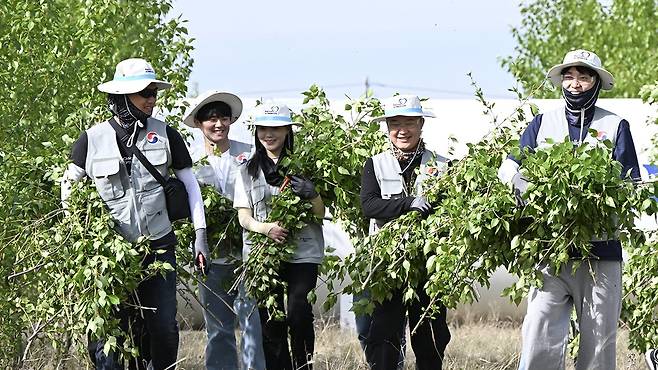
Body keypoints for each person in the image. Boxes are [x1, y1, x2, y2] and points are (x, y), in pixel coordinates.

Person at [61, 58, 209, 370]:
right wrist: (81, 238)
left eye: (154, 92)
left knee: (164, 330)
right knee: (107, 333)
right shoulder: (91, 139)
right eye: (145, 93)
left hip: (159, 249)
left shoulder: (167, 134)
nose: (152, 99)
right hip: (110, 256)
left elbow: (191, 186)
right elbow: (69, 187)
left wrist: (200, 236)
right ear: (122, 97)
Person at [497, 49, 640, 370]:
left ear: (597, 83)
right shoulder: (542, 122)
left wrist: (595, 201)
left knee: (599, 344)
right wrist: (521, 184)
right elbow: (509, 167)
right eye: (569, 76)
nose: (575, 83)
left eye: (584, 76)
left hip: (600, 255)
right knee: (539, 333)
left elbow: (629, 184)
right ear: (561, 80)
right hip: (551, 252)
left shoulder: (615, 126)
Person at [360, 94, 452, 370]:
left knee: (430, 335)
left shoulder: (444, 164)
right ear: (387, 128)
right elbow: (369, 205)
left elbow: (449, 210)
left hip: (429, 263)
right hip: (388, 262)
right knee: (384, 334)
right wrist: (408, 204)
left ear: (421, 124)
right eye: (395, 123)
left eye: (409, 122)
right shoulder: (375, 164)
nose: (402, 129)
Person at [233, 103, 325, 370]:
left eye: (275, 128)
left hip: (303, 252)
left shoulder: (306, 165)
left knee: (298, 312)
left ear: (287, 130)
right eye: (263, 129)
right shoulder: (247, 171)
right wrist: (266, 229)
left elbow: (320, 214)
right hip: (263, 255)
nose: (268, 134)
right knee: (271, 321)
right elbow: (244, 217)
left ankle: (302, 365)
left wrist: (312, 193)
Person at [182, 90, 266, 370]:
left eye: (224, 118)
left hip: (249, 253)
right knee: (218, 327)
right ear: (199, 124)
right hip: (211, 256)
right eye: (211, 119)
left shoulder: (250, 153)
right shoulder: (190, 162)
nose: (218, 125)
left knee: (252, 323)